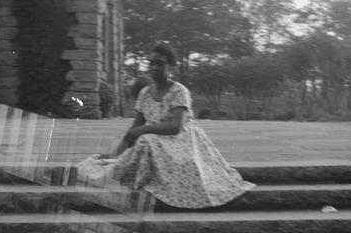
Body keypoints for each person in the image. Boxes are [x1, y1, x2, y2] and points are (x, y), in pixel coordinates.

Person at [76, 43, 255, 209]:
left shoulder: (179, 91)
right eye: (151, 63)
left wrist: (143, 130)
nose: (154, 67)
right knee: (141, 144)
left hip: (181, 140)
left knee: (147, 140)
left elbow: (175, 126)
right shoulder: (145, 93)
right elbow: (134, 129)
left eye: (159, 63)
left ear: (170, 67)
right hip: (155, 140)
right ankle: (128, 176)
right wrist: (116, 153)